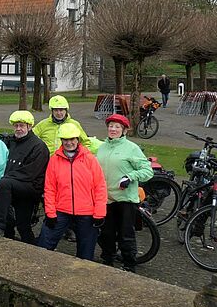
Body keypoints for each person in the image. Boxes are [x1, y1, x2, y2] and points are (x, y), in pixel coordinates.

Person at [37, 123, 108, 261]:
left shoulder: (89, 159)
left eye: (72, 139)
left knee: (86, 255)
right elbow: (50, 188)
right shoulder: (54, 160)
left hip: (86, 212)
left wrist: (99, 213)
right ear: (61, 140)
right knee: (43, 247)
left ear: (78, 139)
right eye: (65, 139)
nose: (69, 143)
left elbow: (100, 186)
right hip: (61, 210)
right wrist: (50, 213)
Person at [96, 114, 154, 271]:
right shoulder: (102, 147)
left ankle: (129, 264)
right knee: (106, 233)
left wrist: (130, 176)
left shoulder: (131, 148)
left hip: (125, 199)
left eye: (117, 127)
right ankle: (108, 260)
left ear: (124, 130)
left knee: (125, 234)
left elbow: (147, 171)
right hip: (106, 199)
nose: (113, 129)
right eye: (111, 126)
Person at [0, 110, 49, 243]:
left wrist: (8, 178)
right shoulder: (12, 142)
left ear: (29, 126)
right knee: (23, 225)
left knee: (4, 184)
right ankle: (28, 245)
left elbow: (31, 172)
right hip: (15, 185)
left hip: (30, 187)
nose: (18, 128)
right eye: (16, 126)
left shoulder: (39, 146)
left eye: (21, 125)